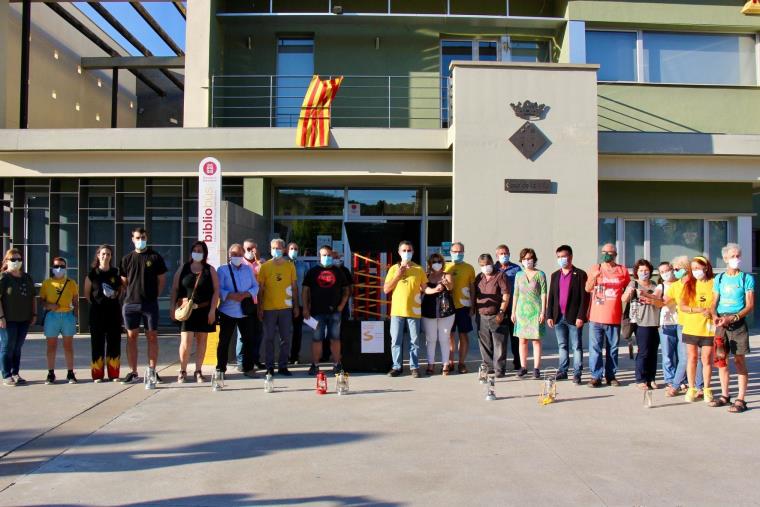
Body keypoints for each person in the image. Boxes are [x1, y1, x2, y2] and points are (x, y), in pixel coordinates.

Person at [119, 227, 168, 384]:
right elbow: (124, 282)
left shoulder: (155, 257)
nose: (141, 240)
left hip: (149, 304)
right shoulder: (126, 259)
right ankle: (133, 372)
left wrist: (155, 295)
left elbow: (162, 280)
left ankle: (152, 371)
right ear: (132, 239)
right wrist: (131, 294)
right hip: (130, 304)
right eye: (138, 237)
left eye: (143, 237)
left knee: (152, 336)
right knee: (131, 337)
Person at [710, 244, 754, 413]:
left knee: (739, 360)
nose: (736, 259)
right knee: (721, 360)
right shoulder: (719, 278)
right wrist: (715, 316)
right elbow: (714, 303)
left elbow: (750, 305)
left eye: (738, 255)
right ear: (725, 259)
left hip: (737, 322)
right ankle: (724, 395)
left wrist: (734, 317)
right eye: (732, 256)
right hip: (721, 322)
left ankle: (741, 399)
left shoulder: (746, 278)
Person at [170, 241, 219, 383]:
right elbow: (174, 289)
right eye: (195, 250)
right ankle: (183, 370)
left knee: (202, 341)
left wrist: (212, 311)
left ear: (204, 254)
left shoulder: (210, 270)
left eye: (200, 250)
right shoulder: (183, 268)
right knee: (186, 341)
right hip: (187, 311)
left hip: (204, 310)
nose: (197, 252)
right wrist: (172, 307)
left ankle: (198, 370)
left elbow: (216, 291)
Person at [585, 243, 630, 387]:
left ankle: (611, 376)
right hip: (596, 317)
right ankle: (595, 376)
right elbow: (587, 288)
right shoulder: (595, 268)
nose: (606, 255)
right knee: (595, 349)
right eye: (604, 252)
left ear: (615, 254)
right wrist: (594, 277)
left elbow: (629, 287)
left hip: (614, 316)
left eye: (609, 253)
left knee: (613, 348)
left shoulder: (622, 270)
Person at [302, 245, 350, 376]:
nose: (327, 258)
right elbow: (305, 290)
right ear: (319, 256)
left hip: (335, 312)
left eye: (329, 255)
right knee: (317, 338)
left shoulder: (339, 271)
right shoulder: (312, 272)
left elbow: (346, 290)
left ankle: (337, 364)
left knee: (335, 338)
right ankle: (315, 365)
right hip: (316, 312)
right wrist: (305, 308)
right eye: (324, 255)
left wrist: (341, 306)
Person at [384, 240, 427, 377]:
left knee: (414, 341)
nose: (407, 253)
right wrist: (398, 275)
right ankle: (397, 366)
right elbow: (386, 290)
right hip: (397, 311)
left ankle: (414, 367)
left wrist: (438, 288)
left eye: (409, 251)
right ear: (399, 252)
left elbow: (426, 289)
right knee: (396, 340)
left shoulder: (419, 269)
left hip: (414, 311)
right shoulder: (393, 269)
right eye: (404, 250)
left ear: (413, 252)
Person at [546, 245, 588, 384]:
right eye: (559, 257)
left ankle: (577, 373)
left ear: (571, 256)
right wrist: (549, 315)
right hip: (559, 317)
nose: (561, 259)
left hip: (574, 317)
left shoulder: (580, 274)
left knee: (576, 346)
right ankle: (562, 371)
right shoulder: (555, 275)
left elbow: (584, 298)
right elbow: (551, 297)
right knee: (562, 345)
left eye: (564, 256)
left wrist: (581, 316)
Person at [216, 244, 260, 379]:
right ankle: (220, 369)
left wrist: (247, 294)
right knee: (224, 341)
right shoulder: (222, 270)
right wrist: (230, 295)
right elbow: (218, 289)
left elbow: (255, 286)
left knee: (249, 340)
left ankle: (248, 368)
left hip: (245, 311)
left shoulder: (248, 269)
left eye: (239, 254)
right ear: (229, 255)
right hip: (228, 311)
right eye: (234, 254)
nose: (237, 257)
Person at [676, 256, 715, 404]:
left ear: (705, 267)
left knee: (706, 359)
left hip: (708, 328)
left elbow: (717, 302)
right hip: (691, 327)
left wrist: (711, 311)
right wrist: (697, 309)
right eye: (693, 269)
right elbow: (683, 306)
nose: (696, 271)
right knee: (691, 358)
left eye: (698, 268)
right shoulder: (689, 284)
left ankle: (706, 388)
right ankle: (691, 388)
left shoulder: (713, 283)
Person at [663, 255, 703, 397]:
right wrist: (649, 296)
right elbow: (664, 301)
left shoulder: (697, 283)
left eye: (677, 269)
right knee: (685, 357)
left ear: (686, 269)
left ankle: (699, 387)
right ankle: (677, 385)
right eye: (674, 269)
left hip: (697, 324)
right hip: (682, 324)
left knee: (696, 357)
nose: (675, 271)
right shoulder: (675, 285)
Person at [257, 238, 298, 376]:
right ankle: (269, 366)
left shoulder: (290, 266)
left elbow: (294, 287)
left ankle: (283, 366)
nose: (276, 250)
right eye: (274, 248)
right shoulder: (265, 267)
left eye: (279, 248)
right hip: (269, 309)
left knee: (285, 339)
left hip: (286, 308)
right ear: (270, 249)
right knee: (269, 339)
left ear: (284, 249)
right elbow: (260, 289)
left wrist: (296, 306)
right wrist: (260, 307)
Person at [83, 245, 122, 382]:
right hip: (97, 312)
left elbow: (120, 290)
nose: (106, 256)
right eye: (103, 254)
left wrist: (114, 295)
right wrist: (97, 302)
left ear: (111, 257)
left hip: (113, 312)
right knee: (97, 342)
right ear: (98, 255)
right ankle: (97, 374)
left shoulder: (116, 272)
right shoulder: (92, 274)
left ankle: (114, 373)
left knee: (114, 342)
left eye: (109, 254)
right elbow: (87, 294)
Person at [623, 259, 662, 390]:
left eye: (646, 270)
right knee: (643, 352)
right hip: (641, 322)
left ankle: (651, 378)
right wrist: (630, 292)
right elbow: (623, 299)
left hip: (654, 322)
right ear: (636, 272)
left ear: (650, 271)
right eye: (641, 270)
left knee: (653, 352)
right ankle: (641, 379)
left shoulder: (654, 285)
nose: (644, 273)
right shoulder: (633, 283)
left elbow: (659, 302)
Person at [40, 257, 79, 384]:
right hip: (52, 316)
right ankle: (50, 373)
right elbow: (42, 301)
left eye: (62, 266)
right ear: (52, 267)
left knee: (68, 346)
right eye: (56, 266)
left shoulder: (71, 283)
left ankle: (70, 372)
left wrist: (75, 315)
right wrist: (49, 305)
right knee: (51, 346)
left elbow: (75, 300)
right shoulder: (47, 283)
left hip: (67, 315)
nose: (59, 269)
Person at [0, 249, 36, 386]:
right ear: (7, 261)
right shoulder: (4, 277)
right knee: (7, 346)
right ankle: (6, 374)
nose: (16, 262)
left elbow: (33, 296)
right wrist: (1, 316)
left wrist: (34, 313)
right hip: (8, 319)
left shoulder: (26, 277)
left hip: (24, 318)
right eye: (13, 259)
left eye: (19, 259)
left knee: (17, 346)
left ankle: (16, 373)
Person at [511, 248, 547, 379]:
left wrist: (543, 311)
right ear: (521, 260)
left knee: (536, 340)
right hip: (521, 312)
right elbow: (515, 293)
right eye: (525, 259)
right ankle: (523, 367)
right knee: (522, 340)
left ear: (534, 259)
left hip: (535, 311)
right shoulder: (519, 275)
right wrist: (513, 311)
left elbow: (544, 293)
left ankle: (536, 368)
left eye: (530, 258)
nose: (527, 261)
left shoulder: (540, 275)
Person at [474, 254, 510, 378]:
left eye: (488, 264)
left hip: (497, 315)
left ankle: (499, 370)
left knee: (499, 343)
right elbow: (475, 294)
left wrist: (501, 312)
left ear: (492, 262)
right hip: (481, 315)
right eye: (482, 265)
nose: (485, 267)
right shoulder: (479, 277)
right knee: (484, 343)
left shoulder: (500, 275)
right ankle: (488, 368)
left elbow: (506, 295)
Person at [421, 252, 455, 375]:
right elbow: (421, 289)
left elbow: (451, 287)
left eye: (439, 261)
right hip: (428, 310)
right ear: (430, 264)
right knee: (430, 339)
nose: (437, 264)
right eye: (434, 261)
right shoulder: (426, 275)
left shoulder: (447, 275)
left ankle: (445, 364)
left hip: (446, 310)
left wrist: (446, 283)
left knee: (444, 338)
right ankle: (430, 364)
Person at [445, 242, 475, 375]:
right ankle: (450, 362)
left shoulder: (469, 268)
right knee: (449, 336)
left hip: (464, 306)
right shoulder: (445, 266)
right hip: (447, 307)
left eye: (460, 251)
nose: (458, 254)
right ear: (450, 252)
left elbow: (472, 287)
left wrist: (472, 305)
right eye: (455, 251)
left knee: (463, 335)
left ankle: (461, 363)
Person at [322, 250, 353, 362]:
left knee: (342, 331)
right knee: (327, 332)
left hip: (342, 307)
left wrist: (343, 303)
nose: (334, 259)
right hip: (327, 306)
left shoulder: (345, 271)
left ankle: (342, 355)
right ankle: (325, 354)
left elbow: (350, 289)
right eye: (332, 257)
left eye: (336, 257)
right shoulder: (324, 271)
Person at [494, 244, 521, 371]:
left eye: (506, 253)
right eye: (501, 254)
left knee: (516, 337)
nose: (504, 256)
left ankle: (518, 363)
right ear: (496, 255)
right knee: (500, 339)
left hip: (513, 308)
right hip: (498, 309)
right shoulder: (493, 268)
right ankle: (500, 366)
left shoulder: (516, 269)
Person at [655, 262, 681, 394]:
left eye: (667, 270)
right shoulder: (661, 286)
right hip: (666, 323)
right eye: (662, 272)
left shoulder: (681, 283)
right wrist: (652, 298)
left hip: (682, 323)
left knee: (682, 355)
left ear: (672, 269)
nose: (665, 273)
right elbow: (657, 299)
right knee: (668, 355)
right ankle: (670, 380)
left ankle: (681, 380)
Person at [240, 238, 263, 369]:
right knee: (243, 335)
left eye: (253, 249)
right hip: (245, 303)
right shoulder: (240, 264)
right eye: (248, 249)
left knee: (258, 333)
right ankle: (240, 360)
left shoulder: (261, 263)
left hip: (258, 303)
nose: (251, 252)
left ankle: (255, 359)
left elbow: (263, 276)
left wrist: (258, 260)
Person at [287, 242, 308, 365]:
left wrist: (306, 304)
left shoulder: (303, 266)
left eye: (295, 249)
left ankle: (295, 356)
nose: (293, 250)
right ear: (287, 250)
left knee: (297, 331)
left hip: (299, 302)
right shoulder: (282, 264)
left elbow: (306, 286)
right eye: (291, 248)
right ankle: (285, 356)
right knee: (284, 332)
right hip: (284, 302)